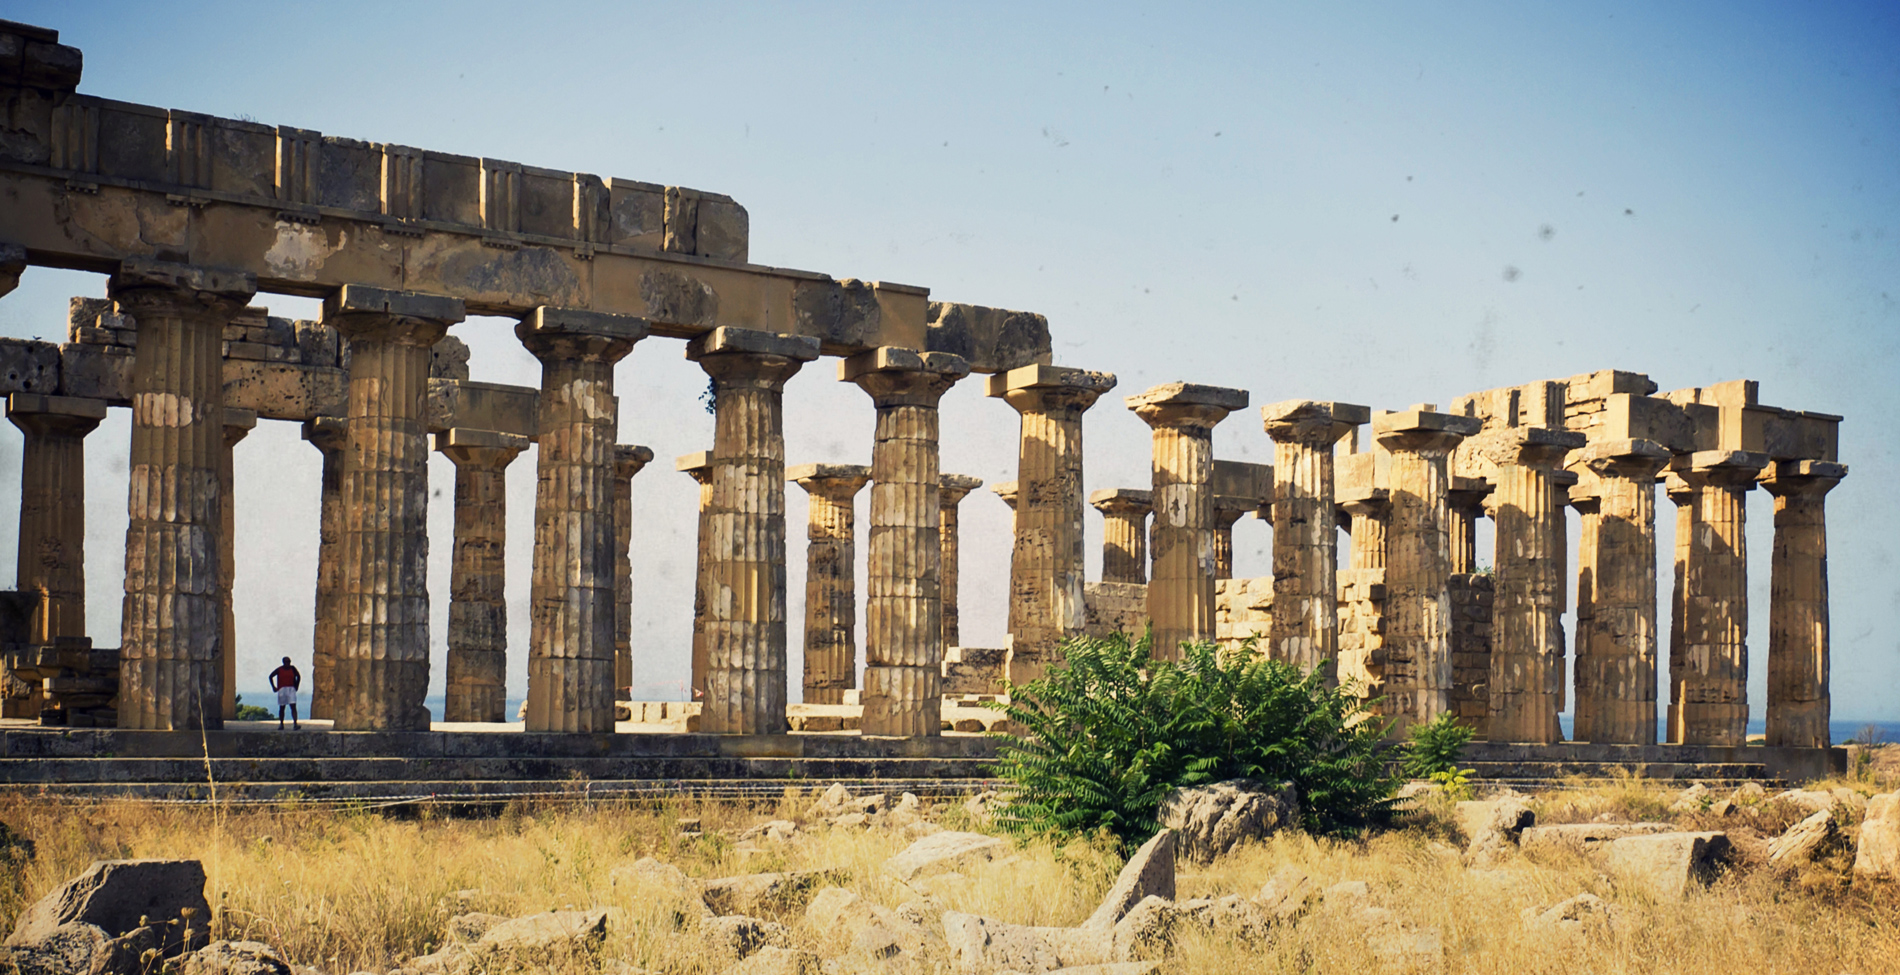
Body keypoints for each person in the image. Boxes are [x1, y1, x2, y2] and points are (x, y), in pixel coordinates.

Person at [270, 657, 302, 730]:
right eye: (286, 662)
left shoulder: (293, 669)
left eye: (289, 661)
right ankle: (281, 724)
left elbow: (298, 676)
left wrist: (296, 686)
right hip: (282, 689)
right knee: (282, 707)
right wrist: (274, 687)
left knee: (293, 706)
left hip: (291, 688)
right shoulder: (279, 669)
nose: (288, 663)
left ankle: (295, 724)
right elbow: (271, 676)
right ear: (283, 662)